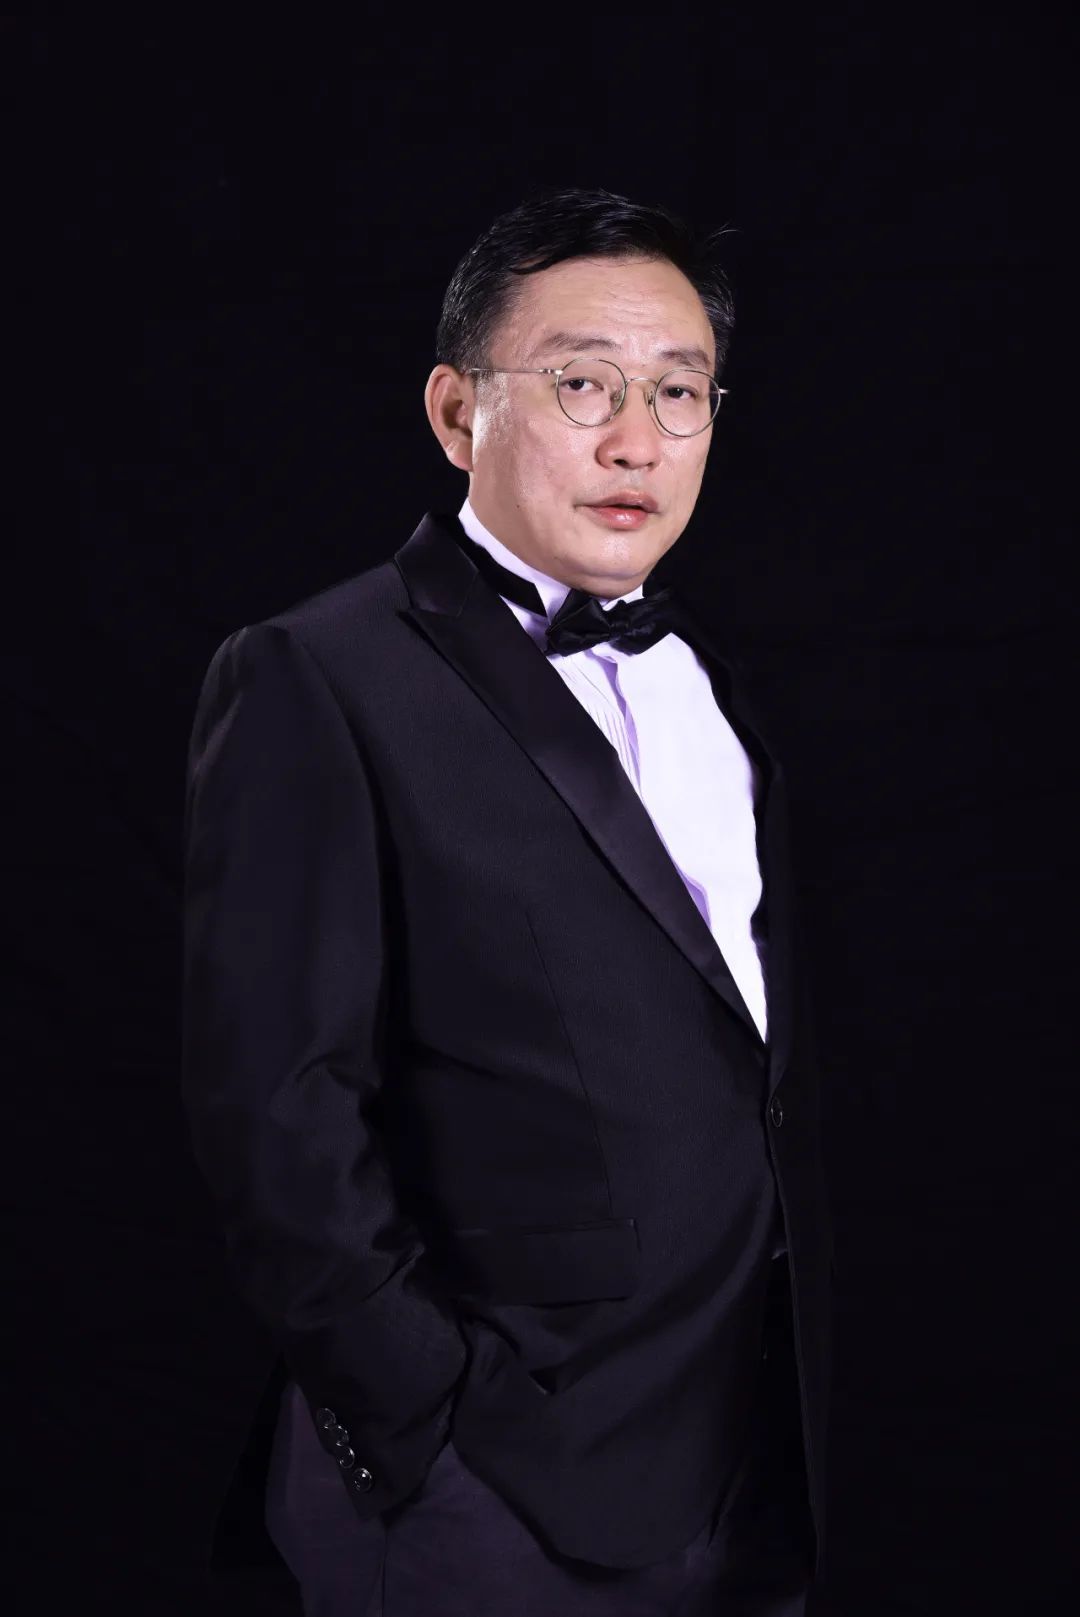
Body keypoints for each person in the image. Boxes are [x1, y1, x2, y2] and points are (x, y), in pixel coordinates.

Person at [181, 186, 835, 1616]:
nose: (637, 439)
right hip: (489, 1488)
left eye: (679, 392)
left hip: (757, 1459)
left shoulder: (717, 687)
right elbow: (275, 1110)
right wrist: (421, 1415)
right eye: (583, 383)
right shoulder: (316, 673)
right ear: (455, 411)